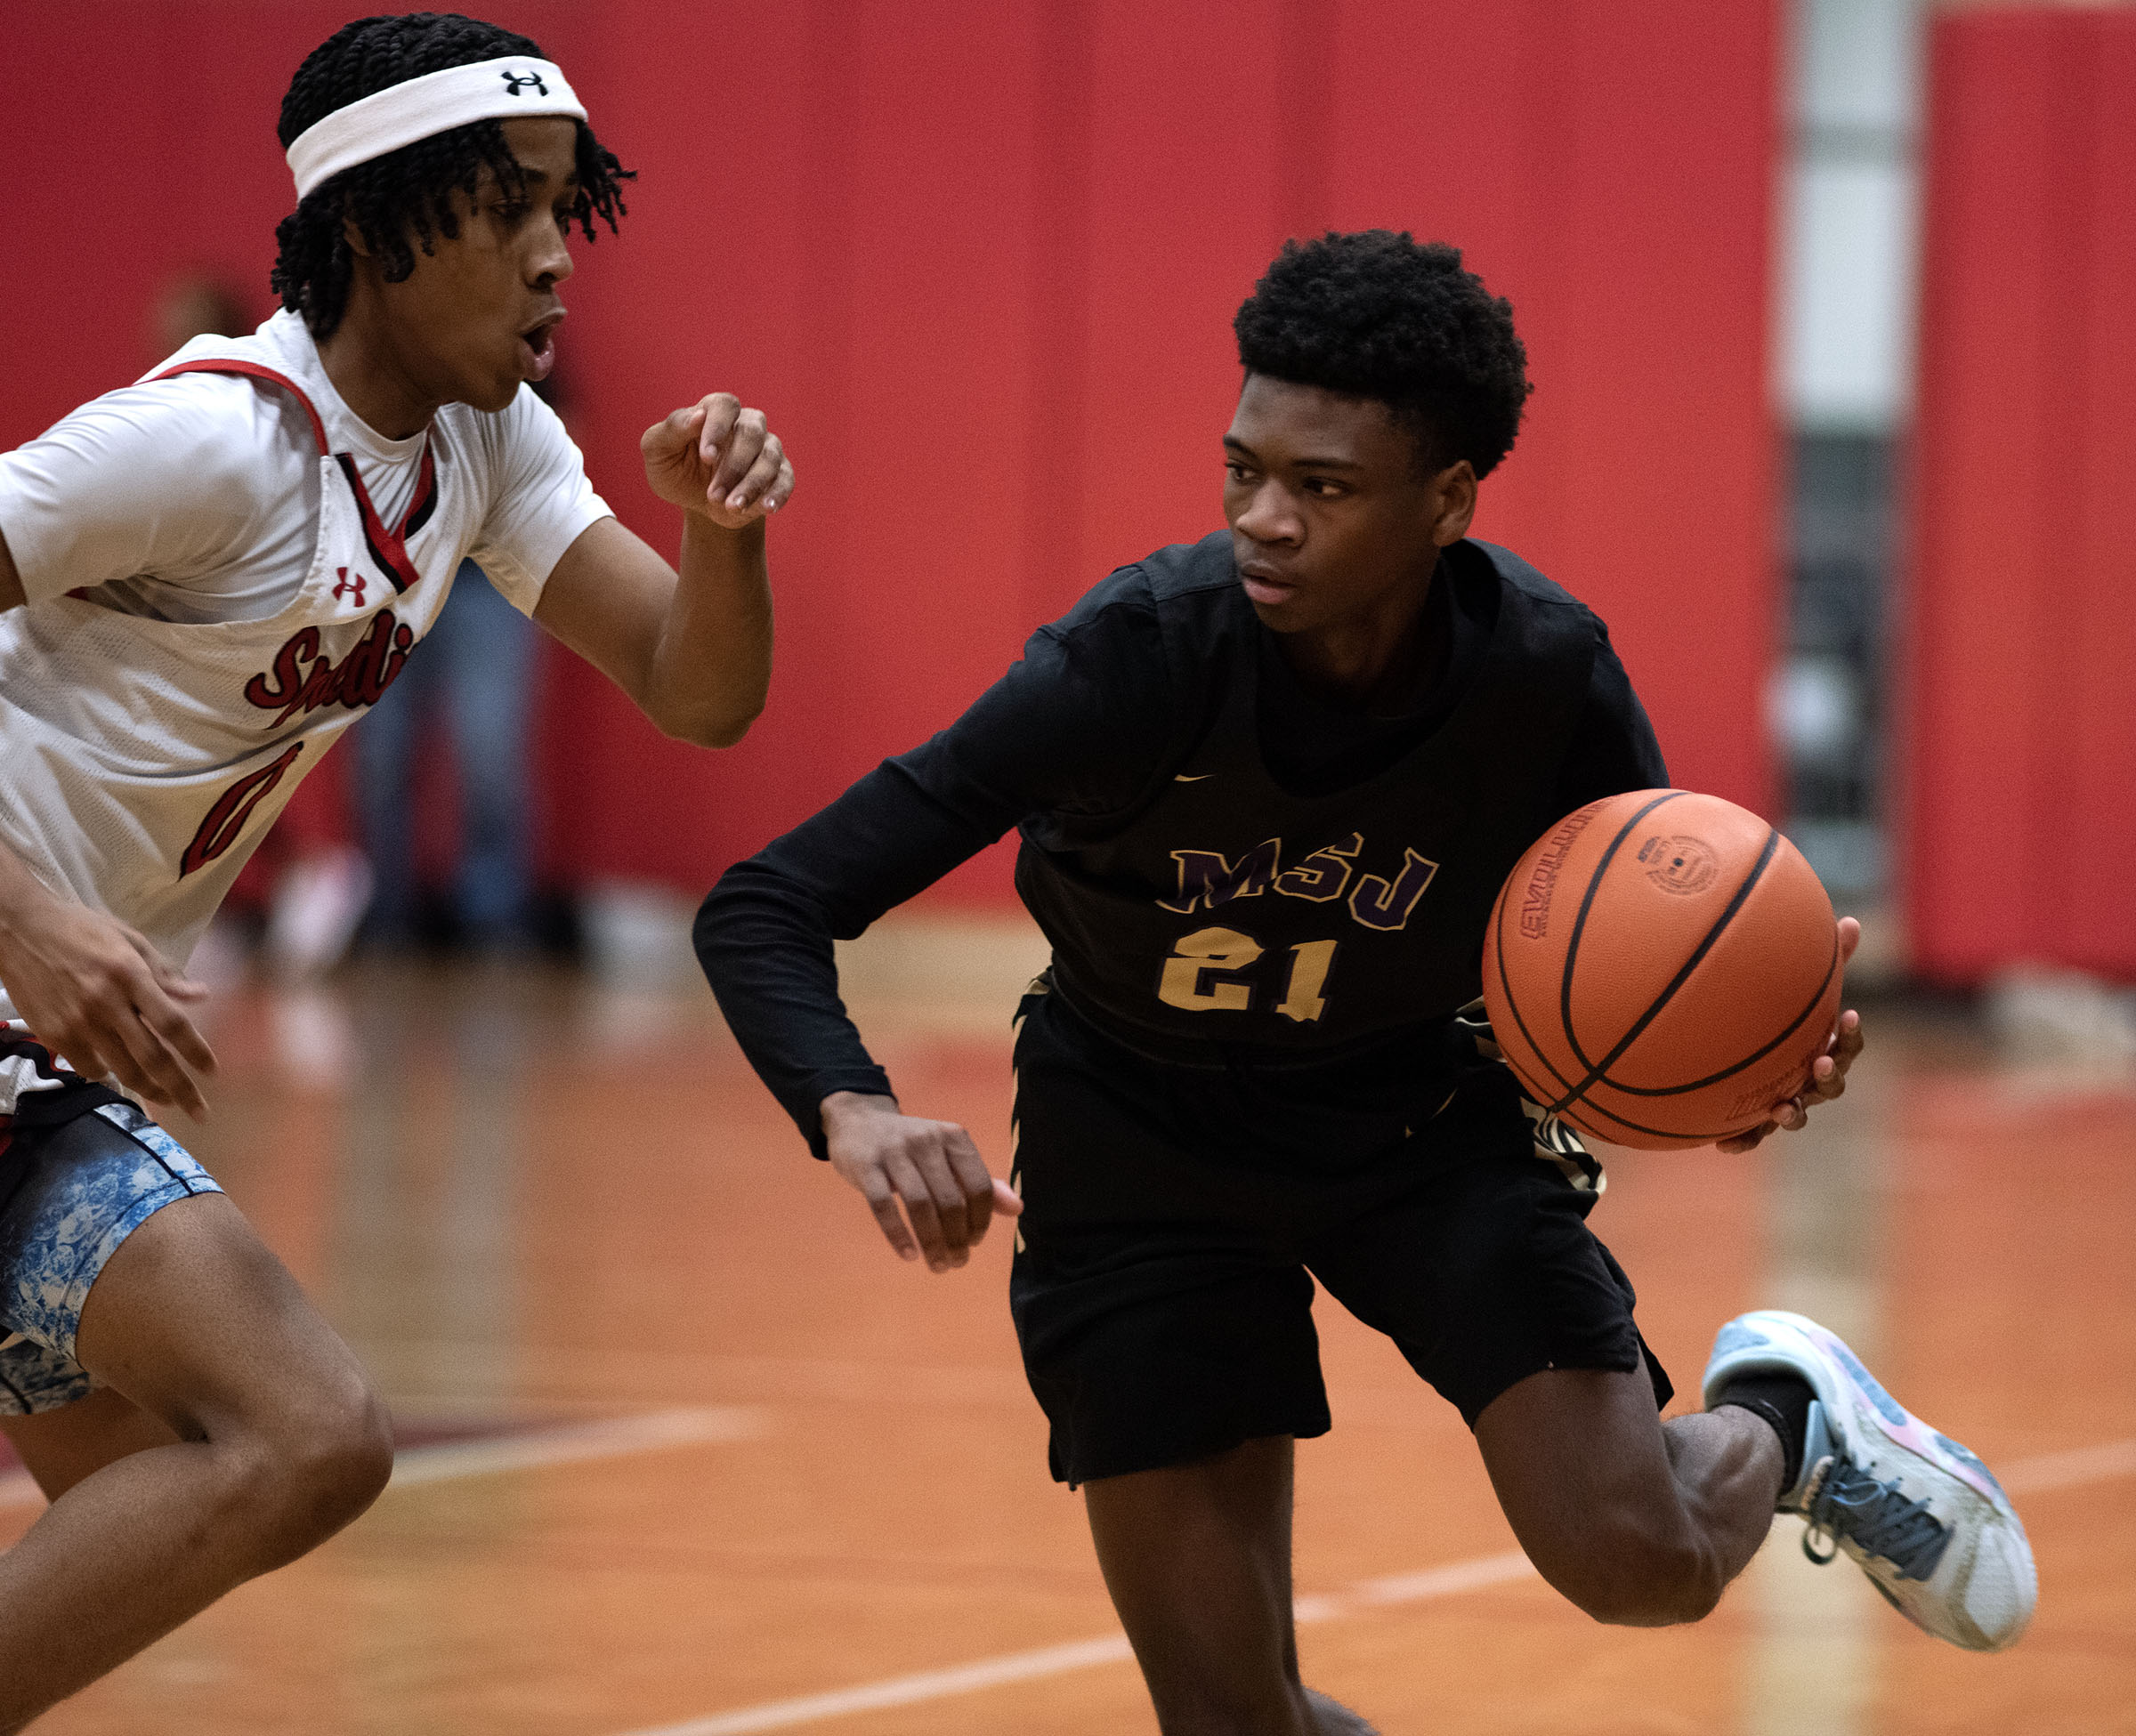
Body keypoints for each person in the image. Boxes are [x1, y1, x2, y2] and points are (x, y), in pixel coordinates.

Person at [698, 231, 2035, 1734]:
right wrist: (854, 1109)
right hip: (1135, 1141)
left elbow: (1646, 975)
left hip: (1420, 1126)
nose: (1264, 520)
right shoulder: (1128, 664)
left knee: (1638, 1563)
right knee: (1229, 1719)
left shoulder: (1543, 679)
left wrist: (1748, 1062)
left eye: (1322, 489)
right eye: (1243, 468)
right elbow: (771, 901)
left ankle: (1786, 1419)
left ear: (1448, 500)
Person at [0, 12, 789, 1725]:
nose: (549, 259)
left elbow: (696, 689)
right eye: (507, 208)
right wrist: (29, 911)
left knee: (155, 1494)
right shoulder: (209, 442)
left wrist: (725, 542)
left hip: (39, 1057)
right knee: (296, 1432)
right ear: (369, 226)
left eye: (563, 209)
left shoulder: (482, 451)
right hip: (16, 997)